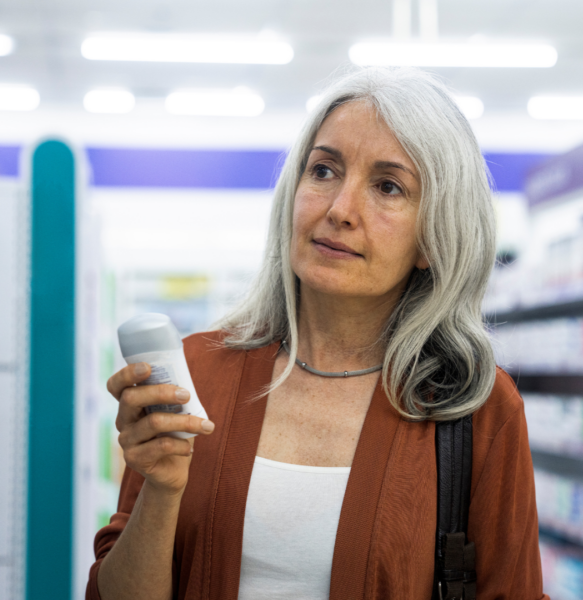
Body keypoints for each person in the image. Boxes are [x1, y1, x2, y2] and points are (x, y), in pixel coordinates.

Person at [86, 67, 548, 600]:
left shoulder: (476, 408)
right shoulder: (196, 376)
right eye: (324, 171)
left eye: (388, 186)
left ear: (433, 240)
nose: (338, 210)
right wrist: (161, 491)